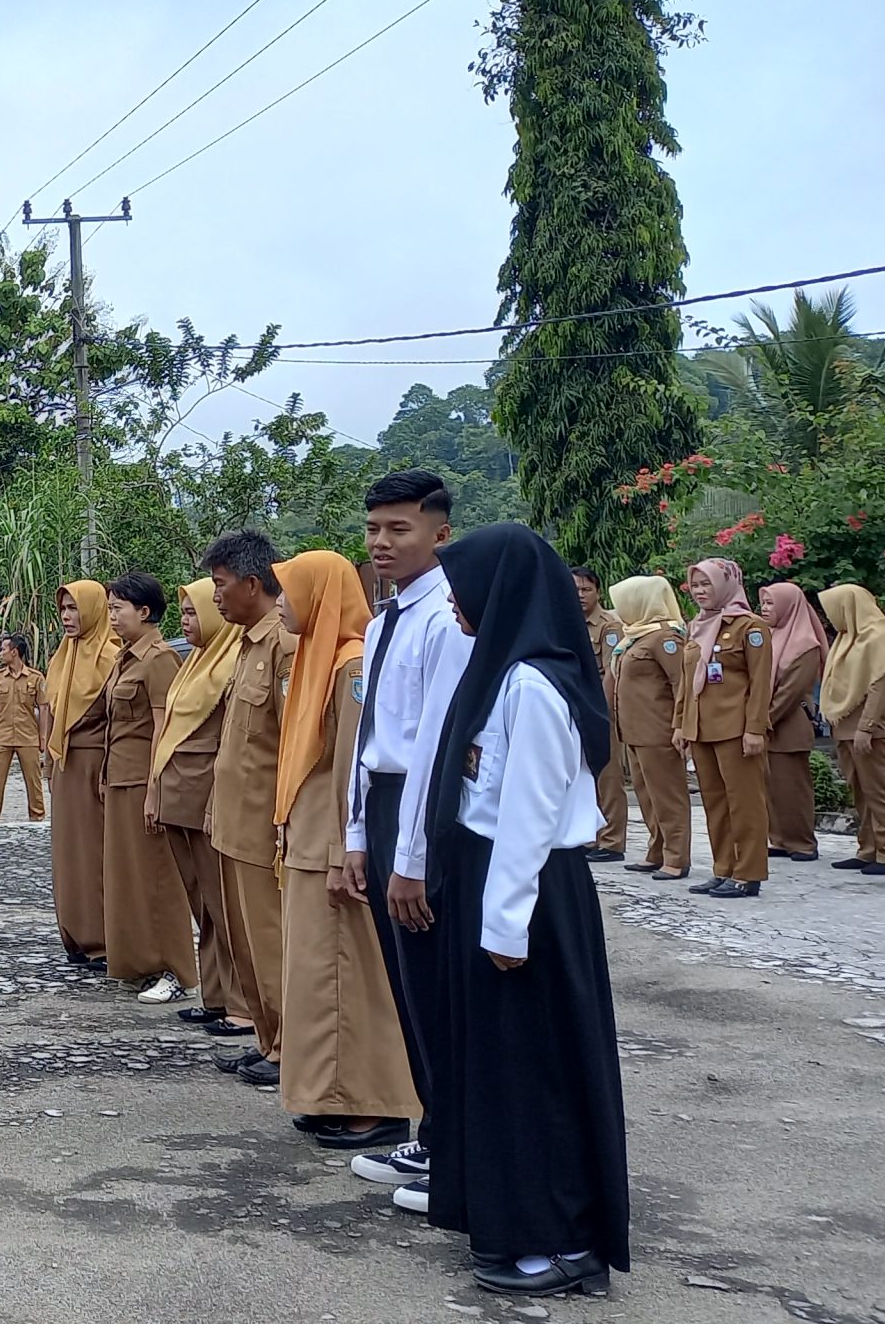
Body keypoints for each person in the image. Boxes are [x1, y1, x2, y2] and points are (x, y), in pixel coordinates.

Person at [425, 522, 631, 1299]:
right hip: (495, 880)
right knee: (500, 1066)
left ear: (504, 592)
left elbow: (531, 815)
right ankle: (510, 1217)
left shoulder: (535, 687)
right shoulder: (502, 671)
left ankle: (562, 1237)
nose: (454, 602)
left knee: (537, 1068)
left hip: (530, 891)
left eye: (464, 588)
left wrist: (505, 922)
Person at [343, 470, 471, 1198]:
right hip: (386, 805)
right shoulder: (383, 619)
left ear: (440, 534)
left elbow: (434, 747)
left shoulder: (445, 619)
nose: (381, 543)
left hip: (424, 814)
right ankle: (434, 1133)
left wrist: (412, 857)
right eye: (373, 529)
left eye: (400, 529)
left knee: (432, 982)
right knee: (406, 983)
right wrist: (358, 836)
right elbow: (370, 739)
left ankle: (455, 1147)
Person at [272, 550, 420, 1152]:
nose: (281, 604)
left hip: (333, 844)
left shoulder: (350, 663)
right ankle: (327, 1095)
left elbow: (352, 767)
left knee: (346, 977)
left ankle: (372, 1104)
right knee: (315, 977)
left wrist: (342, 848)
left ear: (319, 595)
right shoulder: (316, 656)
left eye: (289, 591)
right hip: (308, 838)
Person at [201, 532, 291, 1088]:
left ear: (252, 584)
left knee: (270, 938)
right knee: (246, 942)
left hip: (262, 825)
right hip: (233, 820)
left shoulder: (282, 643)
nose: (216, 596)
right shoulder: (245, 643)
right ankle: (266, 1037)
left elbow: (291, 743)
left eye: (221, 584)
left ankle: (287, 1047)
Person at [152, 582, 248, 1036]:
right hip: (181, 798)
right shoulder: (196, 662)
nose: (186, 621)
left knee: (224, 905)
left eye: (194, 613)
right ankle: (216, 995)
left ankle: (242, 1002)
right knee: (203, 904)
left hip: (208, 798)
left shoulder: (230, 662)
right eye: (185, 613)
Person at [100, 573, 196, 1002]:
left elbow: (162, 728)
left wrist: (156, 789)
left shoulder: (159, 659)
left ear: (144, 611)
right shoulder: (125, 657)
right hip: (121, 777)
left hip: (144, 780)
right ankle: (141, 962)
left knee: (158, 877)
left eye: (118, 608)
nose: (112, 616)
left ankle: (176, 971)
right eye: (109, 608)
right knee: (129, 878)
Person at [675, 559, 773, 899]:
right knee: (715, 803)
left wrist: (755, 728)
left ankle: (748, 873)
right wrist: (680, 724)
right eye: (695, 585)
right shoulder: (697, 626)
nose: (700, 591)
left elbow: (760, 683)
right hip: (701, 728)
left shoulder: (750, 627)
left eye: (707, 584)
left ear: (726, 585)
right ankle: (724, 868)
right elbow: (687, 682)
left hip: (736, 728)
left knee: (744, 803)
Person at [42, 580, 118, 968]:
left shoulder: (112, 656)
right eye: (63, 609)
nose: (67, 617)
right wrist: (48, 759)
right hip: (65, 764)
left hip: (94, 763)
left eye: (75, 609)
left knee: (94, 853)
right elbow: (51, 711)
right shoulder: (62, 656)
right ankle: (73, 932)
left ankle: (101, 937)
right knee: (67, 852)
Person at [818, 584, 885, 877]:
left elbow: (880, 686)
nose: (831, 616)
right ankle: (868, 848)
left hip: (870, 728)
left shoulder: (879, 637)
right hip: (845, 727)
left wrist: (866, 727)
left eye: (834, 608)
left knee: (881, 790)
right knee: (860, 791)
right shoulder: (847, 638)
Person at [608, 577, 694, 880]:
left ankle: (676, 857)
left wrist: (680, 725)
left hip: (658, 729)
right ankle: (656, 850)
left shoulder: (665, 637)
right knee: (647, 795)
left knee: (667, 796)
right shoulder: (635, 636)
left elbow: (681, 683)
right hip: (634, 730)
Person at [760, 582, 830, 863]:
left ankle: (802, 842)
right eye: (763, 603)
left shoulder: (804, 644)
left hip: (788, 724)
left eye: (771, 604)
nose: (765, 609)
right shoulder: (769, 636)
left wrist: (763, 719)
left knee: (792, 788)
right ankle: (779, 838)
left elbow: (791, 691)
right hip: (766, 725)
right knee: (772, 787)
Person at [573, 566, 632, 863]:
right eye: (575, 589)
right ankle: (591, 834)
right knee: (585, 775)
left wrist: (603, 710)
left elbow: (612, 671)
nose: (580, 595)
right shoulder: (567, 620)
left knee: (608, 777)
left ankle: (612, 840)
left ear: (597, 592)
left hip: (600, 706)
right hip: (576, 704)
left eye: (587, 589)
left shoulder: (609, 626)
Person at [0, 635, 47, 824]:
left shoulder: (36, 677)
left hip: (28, 736)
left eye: (3, 649)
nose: (0, 653)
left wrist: (43, 737)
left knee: (34, 781)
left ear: (14, 652)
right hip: (2, 736)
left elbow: (44, 708)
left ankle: (37, 818)